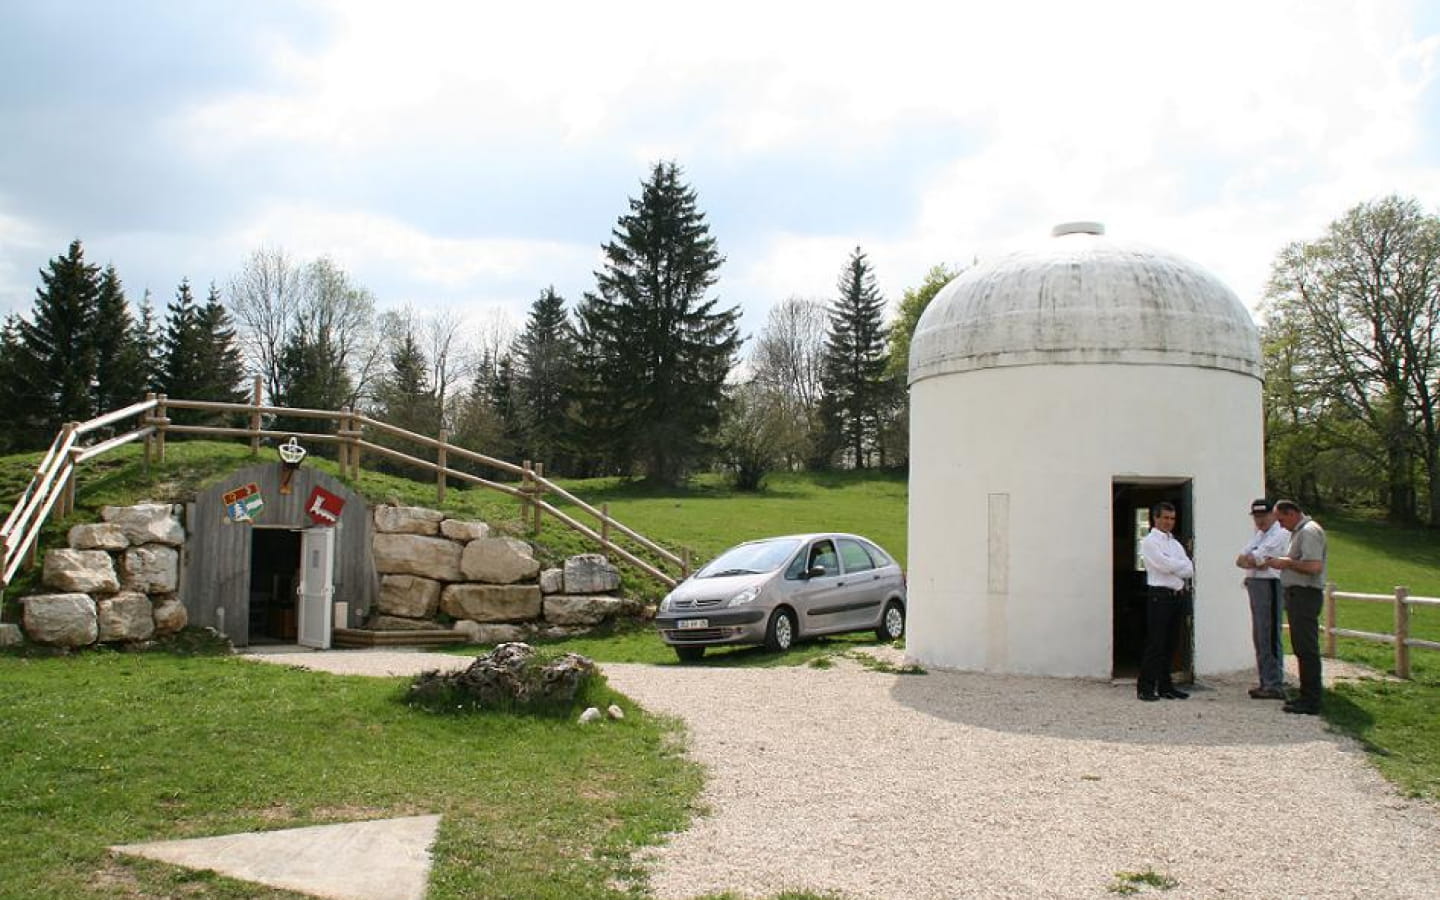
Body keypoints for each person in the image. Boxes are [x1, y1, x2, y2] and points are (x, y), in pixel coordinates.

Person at [1269, 500, 1328, 715]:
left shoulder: (1309, 532)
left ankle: (1311, 699)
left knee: (1307, 648)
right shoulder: (1299, 532)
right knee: (1301, 647)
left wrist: (1286, 563)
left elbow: (1314, 566)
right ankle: (1305, 694)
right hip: (1297, 595)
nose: (1281, 525)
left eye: (1282, 520)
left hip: (1305, 594)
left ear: (1292, 513)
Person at [1234, 499, 1291, 700]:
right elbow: (1241, 559)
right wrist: (1254, 561)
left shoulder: (1281, 534)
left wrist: (1255, 561)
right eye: (1257, 517)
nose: (1260, 520)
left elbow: (1256, 558)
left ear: (1272, 515)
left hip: (1270, 584)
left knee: (1269, 633)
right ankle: (1265, 680)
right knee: (1260, 634)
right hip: (1256, 583)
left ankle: (1274, 682)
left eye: (1264, 516)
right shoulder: (1260, 535)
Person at [1138, 501, 1194, 701]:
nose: (1169, 522)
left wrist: (1175, 566)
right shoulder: (1149, 542)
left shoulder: (1175, 543)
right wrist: (1177, 565)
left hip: (1176, 596)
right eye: (1165, 518)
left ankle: (1165, 686)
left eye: (1172, 518)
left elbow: (1189, 568)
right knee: (1156, 643)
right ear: (1156, 518)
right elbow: (1161, 565)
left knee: (1171, 644)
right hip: (1159, 596)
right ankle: (1146, 686)